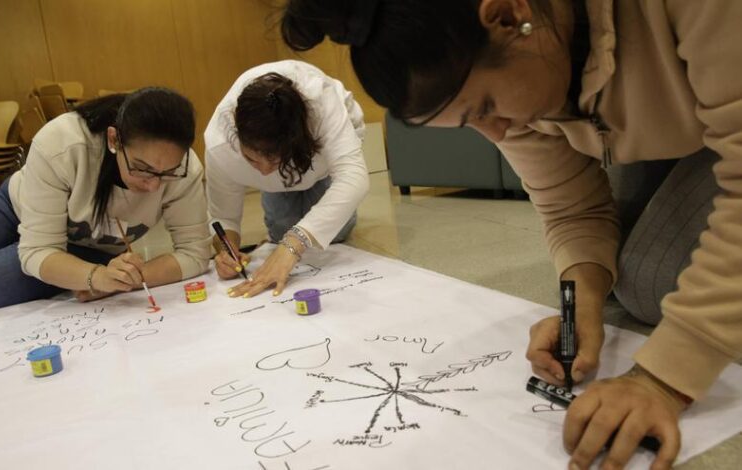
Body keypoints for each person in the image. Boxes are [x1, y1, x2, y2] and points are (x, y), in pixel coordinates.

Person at [279, 0, 742, 468]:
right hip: (681, 126)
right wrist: (576, 302)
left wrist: (661, 380)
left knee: (649, 283)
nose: (495, 130)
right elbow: (572, 208)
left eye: (485, 106)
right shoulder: (526, 73)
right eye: (469, 121)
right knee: (619, 270)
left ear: (507, 15)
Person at [0, 87, 212, 312]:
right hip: (14, 207)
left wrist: (123, 278)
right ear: (114, 140)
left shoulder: (186, 171)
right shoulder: (63, 142)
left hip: (88, 248)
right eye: (141, 168)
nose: (154, 185)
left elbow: (195, 253)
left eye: (167, 172)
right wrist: (96, 277)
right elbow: (38, 248)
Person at [205, 60, 369, 298]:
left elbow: (354, 177)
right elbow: (224, 217)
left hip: (321, 162)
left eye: (275, 162)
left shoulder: (321, 104)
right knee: (282, 231)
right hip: (285, 160)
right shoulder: (220, 145)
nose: (264, 171)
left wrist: (293, 244)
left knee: (332, 236)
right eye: (252, 160)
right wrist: (226, 251)